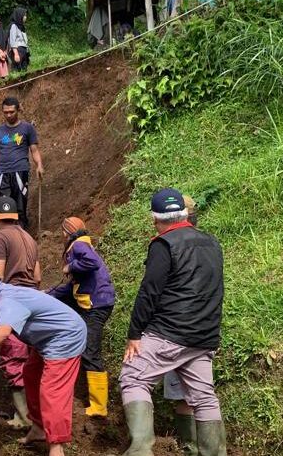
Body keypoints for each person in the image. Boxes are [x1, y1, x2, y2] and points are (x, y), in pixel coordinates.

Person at [120, 188, 227, 456]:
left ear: (155, 218)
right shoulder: (211, 242)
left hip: (168, 332)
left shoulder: (163, 244)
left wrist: (135, 334)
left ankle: (141, 451)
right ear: (184, 213)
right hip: (204, 336)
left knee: (133, 377)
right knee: (204, 397)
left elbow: (150, 291)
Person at [0, 261, 86, 456]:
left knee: (52, 390)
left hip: (66, 336)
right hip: (46, 339)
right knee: (30, 375)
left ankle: (57, 447)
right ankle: (39, 428)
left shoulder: (8, 298)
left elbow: (2, 333)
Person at [47, 217, 115, 418]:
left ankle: (99, 406)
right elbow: (70, 288)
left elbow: (91, 263)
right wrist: (47, 294)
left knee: (90, 350)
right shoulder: (81, 245)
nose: (61, 236)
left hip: (97, 304)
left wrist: (70, 267)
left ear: (68, 232)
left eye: (63, 232)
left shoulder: (78, 245)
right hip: (94, 301)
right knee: (87, 347)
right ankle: (96, 402)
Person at [0, 196, 41, 428]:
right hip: (32, 299)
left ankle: (24, 417)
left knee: (13, 355)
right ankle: (32, 414)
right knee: (29, 357)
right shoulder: (29, 238)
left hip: (11, 300)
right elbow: (37, 277)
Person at [162, 194, 199, 455]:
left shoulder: (170, 247)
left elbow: (157, 291)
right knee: (201, 395)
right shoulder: (206, 246)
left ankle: (189, 447)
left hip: (176, 329)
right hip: (203, 329)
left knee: (184, 396)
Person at [0, 96, 44, 230]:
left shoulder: (27, 128)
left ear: (18, 110)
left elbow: (34, 150)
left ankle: (22, 232)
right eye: (5, 112)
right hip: (2, 174)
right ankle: (6, 234)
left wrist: (39, 165)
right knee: (4, 205)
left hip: (20, 170)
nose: (8, 115)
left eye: (11, 112)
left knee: (19, 204)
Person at [8, 7, 30, 72]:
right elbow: (12, 40)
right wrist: (16, 54)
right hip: (18, 50)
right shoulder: (14, 26)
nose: (25, 17)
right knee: (17, 70)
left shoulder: (21, 26)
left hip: (24, 50)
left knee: (24, 70)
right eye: (24, 15)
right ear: (19, 15)